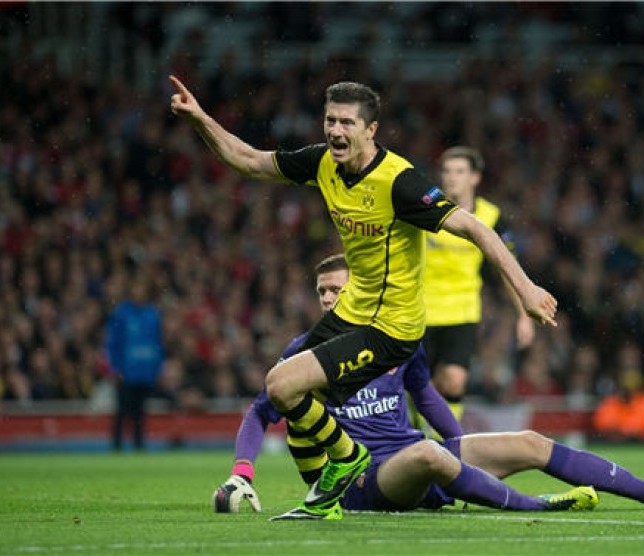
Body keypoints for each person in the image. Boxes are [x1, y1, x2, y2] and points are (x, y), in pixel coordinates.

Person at [170, 75, 559, 519]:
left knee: (287, 386)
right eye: (330, 120)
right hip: (355, 312)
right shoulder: (322, 163)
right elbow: (250, 161)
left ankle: (354, 459)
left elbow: (475, 227)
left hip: (390, 326)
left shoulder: (400, 183)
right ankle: (344, 466)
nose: (335, 130)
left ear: (370, 130)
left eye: (347, 123)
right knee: (281, 387)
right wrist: (201, 120)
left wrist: (526, 290)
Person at [214, 254, 599, 518]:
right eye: (321, 291)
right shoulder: (304, 352)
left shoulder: (396, 338)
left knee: (528, 441)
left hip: (411, 462)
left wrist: (458, 449)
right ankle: (536, 505)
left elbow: (428, 398)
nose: (328, 298)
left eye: (336, 289)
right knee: (428, 453)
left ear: (362, 290)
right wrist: (241, 472)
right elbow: (261, 411)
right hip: (362, 480)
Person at [422, 146, 535, 423]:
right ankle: (415, 435)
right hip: (419, 311)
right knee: (419, 386)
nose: (451, 178)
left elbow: (505, 267)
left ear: (475, 178)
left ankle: (447, 445)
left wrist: (523, 314)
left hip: (462, 311)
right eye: (446, 171)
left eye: (460, 171)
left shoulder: (491, 216)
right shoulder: (425, 205)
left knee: (455, 381)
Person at [105, 273, 165, 451]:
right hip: (126, 371)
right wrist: (115, 367)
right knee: (122, 410)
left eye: (142, 289)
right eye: (136, 289)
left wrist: (157, 367)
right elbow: (113, 342)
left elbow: (157, 342)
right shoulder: (122, 313)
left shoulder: (152, 314)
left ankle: (139, 444)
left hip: (145, 372)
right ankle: (116, 445)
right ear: (131, 291)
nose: (139, 292)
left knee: (140, 412)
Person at [592, 368, 644, 442]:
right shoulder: (611, 401)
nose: (628, 393)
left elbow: (642, 425)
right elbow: (600, 423)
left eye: (631, 389)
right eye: (625, 389)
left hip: (641, 444)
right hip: (613, 443)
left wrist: (622, 430)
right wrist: (617, 430)